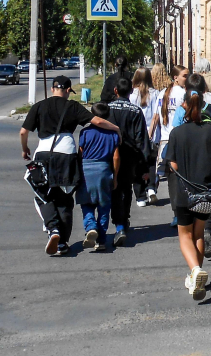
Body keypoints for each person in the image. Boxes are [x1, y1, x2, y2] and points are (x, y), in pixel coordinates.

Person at [21, 75, 121, 255]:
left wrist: (24, 149)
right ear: (68, 90)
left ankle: (53, 229)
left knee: (42, 194)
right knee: (65, 197)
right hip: (67, 153)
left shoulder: (39, 106)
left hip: (43, 152)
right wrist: (115, 128)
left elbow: (23, 132)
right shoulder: (73, 106)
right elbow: (96, 121)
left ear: (53, 89)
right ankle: (63, 243)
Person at [165, 87, 211, 301]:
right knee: (199, 233)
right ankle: (196, 275)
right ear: (203, 106)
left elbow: (172, 163)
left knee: (184, 235)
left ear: (184, 105)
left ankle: (195, 271)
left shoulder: (176, 133)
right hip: (206, 192)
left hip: (184, 192)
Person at [172, 73, 211, 256]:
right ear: (204, 91)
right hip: (207, 167)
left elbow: (176, 135)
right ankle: (208, 229)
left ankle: (195, 271)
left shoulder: (182, 109)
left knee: (186, 232)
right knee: (200, 229)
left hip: (186, 172)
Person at [107, 77, 153, 247]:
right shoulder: (135, 111)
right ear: (131, 92)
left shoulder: (107, 108)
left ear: (115, 91)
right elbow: (141, 139)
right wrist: (144, 163)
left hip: (109, 155)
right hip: (129, 156)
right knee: (125, 190)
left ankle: (113, 223)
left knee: (112, 189)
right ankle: (122, 222)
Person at [76, 103, 120, 252]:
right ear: (108, 116)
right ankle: (101, 240)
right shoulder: (113, 134)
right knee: (103, 206)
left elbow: (80, 153)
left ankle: (90, 226)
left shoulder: (85, 133)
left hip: (86, 169)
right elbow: (116, 157)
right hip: (104, 170)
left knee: (86, 202)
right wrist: (114, 177)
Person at [151, 65, 188, 226]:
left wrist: (150, 137)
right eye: (185, 76)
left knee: (173, 180)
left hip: (165, 141)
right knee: (183, 178)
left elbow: (155, 119)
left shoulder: (161, 94)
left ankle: (176, 213)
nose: (187, 78)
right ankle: (183, 211)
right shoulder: (183, 94)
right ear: (176, 78)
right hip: (180, 140)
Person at [130, 67, 160, 207]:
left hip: (136, 135)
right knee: (151, 164)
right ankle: (151, 188)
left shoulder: (132, 95)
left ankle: (140, 196)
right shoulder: (155, 94)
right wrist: (151, 133)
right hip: (152, 133)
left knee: (137, 165)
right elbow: (156, 116)